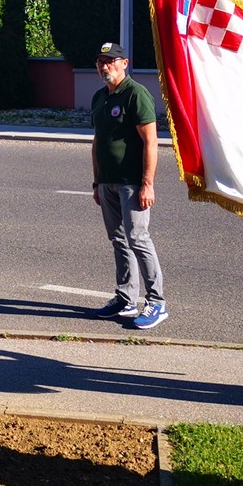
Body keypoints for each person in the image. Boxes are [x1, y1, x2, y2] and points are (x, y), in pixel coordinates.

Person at [90, 42, 168, 330]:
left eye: (110, 61)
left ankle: (157, 301)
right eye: (100, 61)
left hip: (132, 184)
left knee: (138, 238)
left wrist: (148, 184)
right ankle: (126, 298)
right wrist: (97, 181)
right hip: (108, 183)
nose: (104, 65)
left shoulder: (136, 94)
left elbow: (150, 140)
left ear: (124, 63)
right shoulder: (100, 97)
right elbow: (98, 141)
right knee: (119, 240)